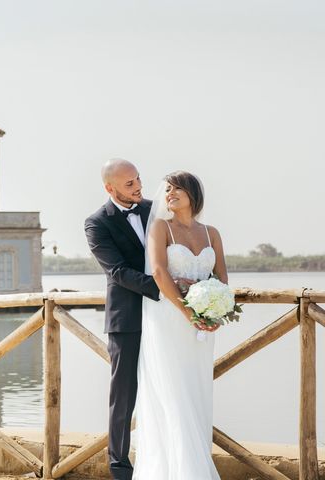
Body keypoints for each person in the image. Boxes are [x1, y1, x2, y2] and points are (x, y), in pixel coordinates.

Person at [133, 171, 226, 479]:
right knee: (173, 395)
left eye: (177, 189)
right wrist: (189, 313)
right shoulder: (161, 228)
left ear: (193, 194)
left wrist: (215, 311)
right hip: (170, 320)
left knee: (196, 392)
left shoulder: (211, 232)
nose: (169, 193)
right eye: (168, 189)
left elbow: (222, 280)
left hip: (202, 327)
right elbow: (159, 273)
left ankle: (195, 464)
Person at [84, 158, 162, 480]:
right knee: (123, 397)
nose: (138, 187)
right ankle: (120, 470)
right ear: (110, 188)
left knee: (164, 389)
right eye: (129, 184)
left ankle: (161, 460)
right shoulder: (96, 223)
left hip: (165, 319)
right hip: (126, 319)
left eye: (138, 179)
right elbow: (116, 271)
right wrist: (166, 289)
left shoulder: (156, 210)